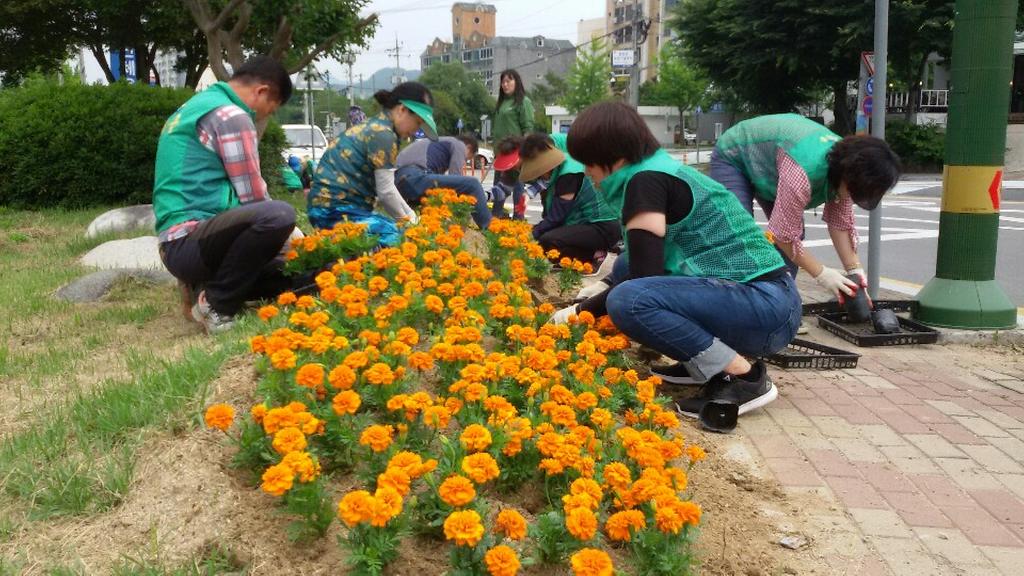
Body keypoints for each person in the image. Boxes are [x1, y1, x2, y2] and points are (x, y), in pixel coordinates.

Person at [554, 101, 801, 420]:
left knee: (629, 301)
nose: (587, 172)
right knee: (627, 265)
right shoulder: (655, 170)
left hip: (766, 307)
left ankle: (742, 378)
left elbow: (643, 284)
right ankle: (700, 360)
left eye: (589, 163)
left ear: (613, 158)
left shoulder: (645, 181)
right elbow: (640, 265)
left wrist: (577, 313)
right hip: (768, 301)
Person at [154, 56, 296, 334]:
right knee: (279, 216)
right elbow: (253, 196)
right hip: (191, 240)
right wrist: (292, 238)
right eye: (271, 109)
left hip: (178, 244)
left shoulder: (195, 106)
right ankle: (216, 304)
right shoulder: (231, 115)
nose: (265, 115)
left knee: (293, 277)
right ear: (262, 91)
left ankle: (203, 288)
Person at [711, 113, 901, 303]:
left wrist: (855, 271)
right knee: (738, 235)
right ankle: (735, 305)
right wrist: (822, 274)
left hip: (771, 168)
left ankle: (781, 305)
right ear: (846, 175)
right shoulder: (804, 171)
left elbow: (840, 225)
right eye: (855, 191)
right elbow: (784, 236)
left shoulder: (847, 169)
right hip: (735, 156)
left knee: (793, 240)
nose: (854, 197)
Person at [307, 82, 438, 246]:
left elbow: (388, 190)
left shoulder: (378, 127)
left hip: (333, 210)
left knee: (405, 232)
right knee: (404, 240)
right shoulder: (383, 135)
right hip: (334, 213)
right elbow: (386, 193)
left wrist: (413, 219)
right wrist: (412, 222)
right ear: (402, 110)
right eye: (418, 123)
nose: (415, 131)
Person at [517, 132, 620, 267]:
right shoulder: (560, 168)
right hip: (586, 224)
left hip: (602, 227)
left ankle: (594, 255)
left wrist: (529, 235)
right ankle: (590, 251)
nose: (539, 177)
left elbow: (556, 217)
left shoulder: (569, 174)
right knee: (545, 242)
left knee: (548, 241)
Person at [394, 134, 491, 229]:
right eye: (466, 159)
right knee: (472, 184)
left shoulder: (438, 144)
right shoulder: (459, 144)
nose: (464, 162)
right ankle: (490, 228)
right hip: (415, 176)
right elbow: (455, 176)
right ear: (468, 148)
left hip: (401, 182)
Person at [491, 69, 534, 220]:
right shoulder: (502, 103)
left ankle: (518, 218)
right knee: (498, 185)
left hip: (516, 153)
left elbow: (528, 129)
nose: (505, 84)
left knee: (517, 187)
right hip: (500, 153)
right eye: (503, 82)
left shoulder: (523, 101)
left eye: (509, 81)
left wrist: (523, 152)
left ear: (517, 81)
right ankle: (495, 217)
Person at [489, 136, 523, 219]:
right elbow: (502, 190)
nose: (509, 166)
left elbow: (544, 183)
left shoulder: (539, 160)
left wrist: (529, 194)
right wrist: (483, 196)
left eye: (510, 161)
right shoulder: (511, 169)